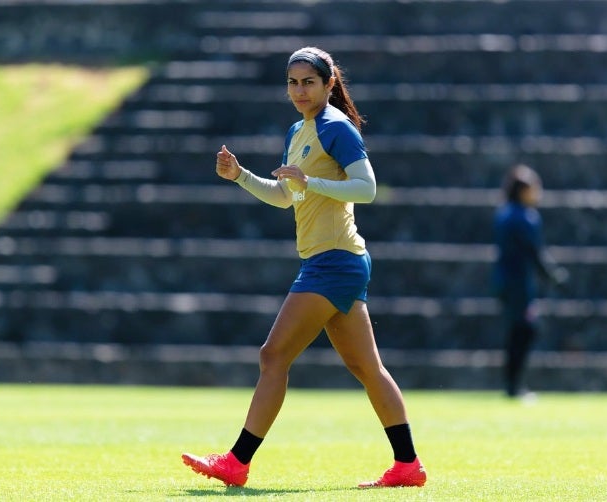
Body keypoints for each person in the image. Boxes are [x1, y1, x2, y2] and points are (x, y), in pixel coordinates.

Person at [181, 47, 426, 489]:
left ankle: (236, 462)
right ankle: (407, 466)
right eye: (292, 82)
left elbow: (367, 189)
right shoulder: (299, 129)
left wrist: (311, 181)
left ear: (329, 83)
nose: (299, 90)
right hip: (335, 261)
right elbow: (285, 196)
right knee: (367, 367)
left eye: (308, 82)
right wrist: (240, 175)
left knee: (273, 355)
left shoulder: (336, 128)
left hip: (334, 261)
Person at [492, 164, 568, 399]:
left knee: (516, 332)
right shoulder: (526, 217)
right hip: (519, 285)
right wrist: (553, 275)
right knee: (525, 332)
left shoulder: (503, 213)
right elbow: (534, 252)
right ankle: (515, 387)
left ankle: (512, 385)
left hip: (502, 281)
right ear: (523, 190)